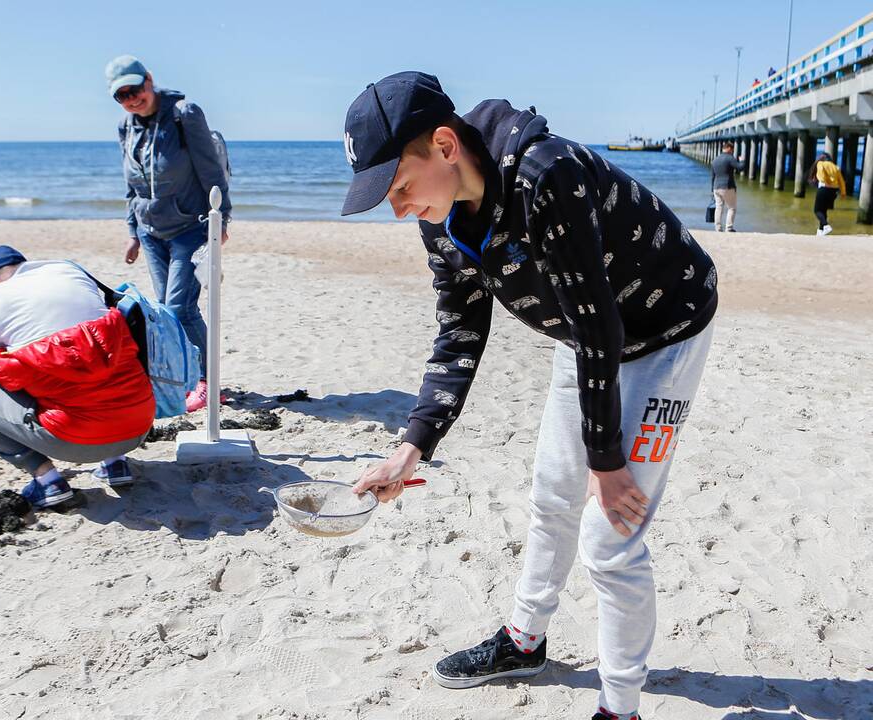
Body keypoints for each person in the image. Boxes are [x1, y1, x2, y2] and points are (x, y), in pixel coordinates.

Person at [343, 72, 718, 720]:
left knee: (612, 537)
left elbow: (603, 328)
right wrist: (411, 448)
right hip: (587, 337)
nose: (398, 207)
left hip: (664, 329)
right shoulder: (441, 225)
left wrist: (606, 461)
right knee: (551, 494)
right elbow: (460, 334)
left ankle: (621, 709)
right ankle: (524, 641)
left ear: (443, 145)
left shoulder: (546, 178)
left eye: (400, 187)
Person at [0, 246, 156, 509]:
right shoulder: (69, 272)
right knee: (98, 360)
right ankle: (115, 463)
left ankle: (48, 480)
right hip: (138, 427)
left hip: (75, 442)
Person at [106, 54, 230, 413]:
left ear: (149, 79)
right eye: (121, 95)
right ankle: (193, 379)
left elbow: (212, 171)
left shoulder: (184, 114)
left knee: (179, 307)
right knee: (170, 311)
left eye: (135, 88)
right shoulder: (125, 127)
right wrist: (132, 231)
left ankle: (209, 383)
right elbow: (132, 185)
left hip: (190, 228)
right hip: (151, 233)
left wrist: (222, 218)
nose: (131, 98)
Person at [710, 141, 747, 232]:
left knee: (719, 207)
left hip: (716, 187)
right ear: (729, 149)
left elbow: (712, 177)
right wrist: (742, 160)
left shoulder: (715, 160)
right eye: (732, 150)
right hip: (727, 186)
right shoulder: (730, 158)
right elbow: (740, 167)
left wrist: (712, 189)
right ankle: (729, 227)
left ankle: (718, 228)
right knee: (732, 208)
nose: (733, 152)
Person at [808, 151, 847, 235]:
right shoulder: (836, 167)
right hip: (834, 191)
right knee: (824, 210)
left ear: (823, 158)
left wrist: (826, 181)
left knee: (817, 210)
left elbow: (821, 173)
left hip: (824, 188)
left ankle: (826, 225)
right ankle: (820, 231)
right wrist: (843, 192)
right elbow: (841, 181)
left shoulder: (821, 163)